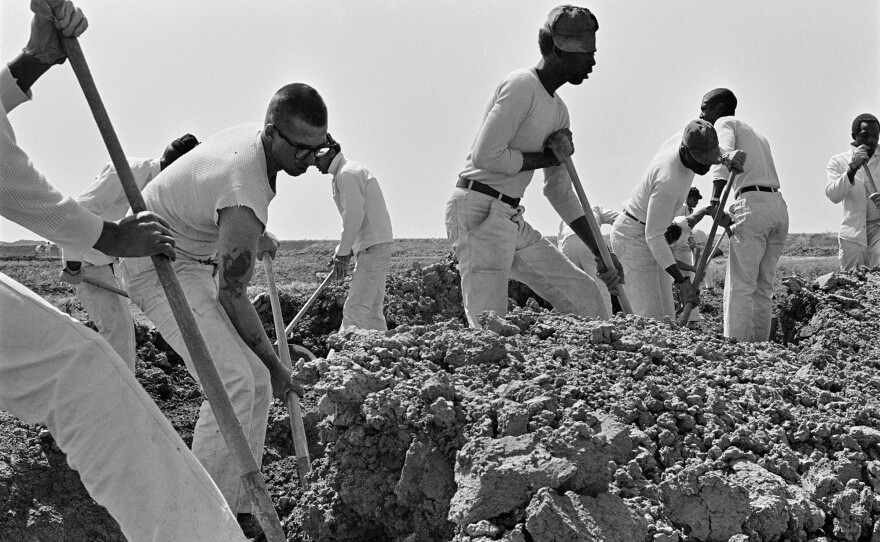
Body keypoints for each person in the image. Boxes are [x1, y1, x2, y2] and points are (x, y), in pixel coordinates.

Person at [0, 2, 247, 540]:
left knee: (113, 349)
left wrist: (35, 59)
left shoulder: (165, 185)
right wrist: (107, 241)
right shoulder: (130, 174)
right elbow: (37, 189)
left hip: (100, 254)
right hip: (87, 256)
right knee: (94, 363)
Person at [120, 83, 321, 536]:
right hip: (154, 262)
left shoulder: (256, 157)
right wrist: (278, 366)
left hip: (190, 253)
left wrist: (246, 237)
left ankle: (239, 511)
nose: (311, 160)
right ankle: (197, 521)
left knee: (254, 382)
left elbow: (220, 205)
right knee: (233, 378)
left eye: (320, 148)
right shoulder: (245, 188)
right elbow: (232, 295)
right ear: (273, 134)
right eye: (303, 149)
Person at [445, 4, 622, 327]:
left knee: (589, 299)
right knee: (490, 326)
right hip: (478, 210)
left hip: (510, 217)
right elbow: (487, 155)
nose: (593, 62)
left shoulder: (559, 112)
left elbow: (558, 190)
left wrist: (600, 251)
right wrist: (547, 158)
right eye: (586, 53)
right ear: (560, 50)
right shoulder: (521, 85)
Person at [59, 134, 200, 367]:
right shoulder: (127, 172)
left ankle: (110, 395)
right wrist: (72, 263)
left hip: (110, 265)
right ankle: (107, 398)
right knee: (119, 339)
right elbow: (81, 209)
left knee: (122, 337)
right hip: (88, 264)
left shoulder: (161, 190)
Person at [609, 119, 744, 320]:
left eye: (710, 159)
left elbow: (705, 137)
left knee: (666, 316)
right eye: (702, 160)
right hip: (633, 238)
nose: (706, 166)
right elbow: (654, 237)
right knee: (649, 318)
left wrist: (726, 156)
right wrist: (682, 282)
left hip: (652, 233)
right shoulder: (668, 180)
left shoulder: (687, 137)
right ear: (685, 150)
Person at [700, 88, 788, 342]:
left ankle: (735, 347)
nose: (702, 113)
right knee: (763, 286)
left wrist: (716, 200)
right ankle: (760, 348)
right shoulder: (758, 134)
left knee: (740, 285)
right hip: (777, 205)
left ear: (720, 107)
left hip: (753, 204)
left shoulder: (724, 123)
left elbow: (724, 156)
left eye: (705, 107)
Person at [314, 134, 394, 331]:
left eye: (318, 157)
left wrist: (342, 253)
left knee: (355, 309)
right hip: (375, 245)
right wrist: (345, 249)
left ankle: (340, 358)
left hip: (372, 247)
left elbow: (353, 218)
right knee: (373, 313)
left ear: (331, 151)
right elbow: (354, 218)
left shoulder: (347, 174)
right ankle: (382, 355)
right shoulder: (346, 172)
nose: (314, 163)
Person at [825, 113, 880, 271]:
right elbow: (833, 195)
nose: (871, 140)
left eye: (875, 136)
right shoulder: (838, 161)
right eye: (865, 136)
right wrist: (852, 168)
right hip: (852, 234)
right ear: (854, 136)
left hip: (878, 230)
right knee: (851, 283)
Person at [557, 205, 619, 314]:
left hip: (568, 243)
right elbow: (618, 217)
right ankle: (607, 320)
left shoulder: (565, 215)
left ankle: (575, 323)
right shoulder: (596, 209)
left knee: (574, 289)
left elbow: (559, 241)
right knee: (600, 287)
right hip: (588, 239)